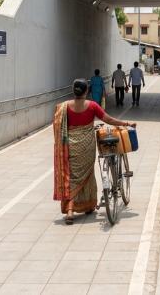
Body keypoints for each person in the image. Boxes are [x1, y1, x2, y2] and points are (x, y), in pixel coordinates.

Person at [53, 80, 136, 224]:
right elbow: (108, 119)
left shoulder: (64, 107)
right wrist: (126, 123)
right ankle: (88, 205)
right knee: (87, 174)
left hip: (70, 147)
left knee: (71, 177)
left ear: (74, 91)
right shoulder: (92, 106)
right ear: (86, 91)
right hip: (87, 146)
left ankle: (70, 210)